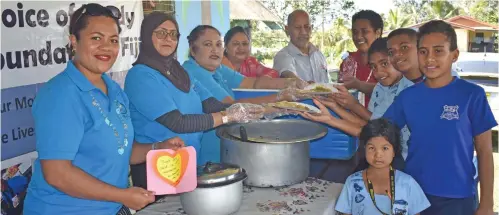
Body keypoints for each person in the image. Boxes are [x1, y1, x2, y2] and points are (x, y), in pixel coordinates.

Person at [23, 4, 185, 215]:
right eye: (96, 38)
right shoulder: (60, 94)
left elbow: (121, 149)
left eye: (113, 40)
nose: (106, 47)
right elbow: (57, 174)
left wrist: (156, 148)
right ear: (74, 41)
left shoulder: (114, 90)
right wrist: (123, 195)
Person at [124, 12, 265, 188]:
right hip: (158, 168)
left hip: (187, 163)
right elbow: (177, 122)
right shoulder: (141, 76)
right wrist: (227, 116)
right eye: (161, 33)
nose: (168, 38)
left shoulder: (180, 72)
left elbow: (211, 104)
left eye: (173, 34)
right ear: (146, 35)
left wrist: (256, 110)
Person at [383, 20, 497, 215]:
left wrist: (486, 204)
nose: (429, 59)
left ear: (454, 55)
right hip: (414, 192)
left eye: (438, 51)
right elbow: (379, 132)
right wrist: (334, 116)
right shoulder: (408, 97)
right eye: (423, 51)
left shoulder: (472, 95)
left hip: (458, 196)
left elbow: (485, 152)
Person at [300, 38, 411, 171]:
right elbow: (370, 126)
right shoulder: (380, 88)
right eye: (374, 67)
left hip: (402, 159)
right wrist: (336, 107)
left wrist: (351, 107)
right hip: (382, 155)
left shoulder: (408, 90)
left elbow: (378, 133)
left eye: (384, 64)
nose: (379, 72)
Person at [183, 25, 309, 105]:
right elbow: (231, 106)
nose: (215, 50)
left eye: (218, 44)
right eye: (208, 44)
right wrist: (279, 97)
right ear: (193, 50)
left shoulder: (217, 69)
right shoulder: (194, 71)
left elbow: (252, 83)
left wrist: (292, 83)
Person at [335, 119, 430, 215]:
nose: (378, 155)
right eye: (372, 148)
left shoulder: (408, 184)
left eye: (385, 148)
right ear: (364, 149)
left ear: (394, 151)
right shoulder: (352, 182)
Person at [338, 10, 383, 106]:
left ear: (377, 33)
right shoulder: (347, 62)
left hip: (381, 120)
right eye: (355, 32)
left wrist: (358, 85)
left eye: (364, 31)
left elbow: (391, 91)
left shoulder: (389, 60)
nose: (358, 37)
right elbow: (340, 93)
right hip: (347, 118)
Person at [273, 9, 329, 83]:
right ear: (287, 29)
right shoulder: (282, 56)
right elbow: (288, 75)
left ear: (311, 28)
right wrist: (303, 85)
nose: (303, 32)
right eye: (297, 27)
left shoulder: (319, 55)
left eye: (306, 27)